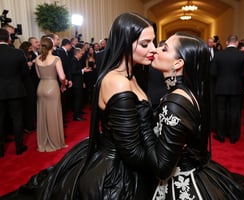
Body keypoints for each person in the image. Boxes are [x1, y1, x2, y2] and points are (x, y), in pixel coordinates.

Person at [1, 12, 157, 199]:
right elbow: (131, 151)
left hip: (43, 88)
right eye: (145, 44)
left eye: (153, 42)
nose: (154, 49)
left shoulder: (132, 75)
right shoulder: (118, 82)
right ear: (124, 43)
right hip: (117, 171)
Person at [144, 32, 244, 200]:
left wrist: (143, 127)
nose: (156, 50)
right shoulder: (186, 92)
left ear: (178, 63)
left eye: (164, 48)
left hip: (180, 183)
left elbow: (162, 168)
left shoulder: (175, 103)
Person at [210, 34, 244, 144]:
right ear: (237, 43)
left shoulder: (218, 55)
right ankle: (233, 136)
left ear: (227, 42)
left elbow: (212, 72)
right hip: (236, 87)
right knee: (235, 111)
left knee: (221, 111)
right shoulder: (242, 55)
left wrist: (221, 78)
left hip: (221, 86)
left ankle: (221, 135)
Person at [35, 37, 68, 152]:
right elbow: (62, 77)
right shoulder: (56, 58)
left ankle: (43, 142)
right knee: (53, 115)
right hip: (52, 87)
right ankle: (55, 143)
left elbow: (39, 76)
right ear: (52, 46)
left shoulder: (37, 59)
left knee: (42, 115)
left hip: (41, 87)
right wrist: (64, 84)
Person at [0, 28, 28, 157]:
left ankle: (0, 150)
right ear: (9, 38)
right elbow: (25, 73)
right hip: (15, 90)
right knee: (17, 119)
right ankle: (19, 146)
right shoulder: (18, 53)